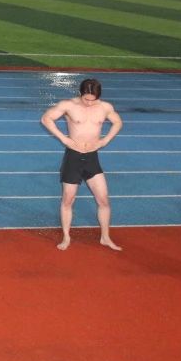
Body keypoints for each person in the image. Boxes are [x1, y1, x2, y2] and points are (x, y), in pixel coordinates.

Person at [40, 78, 124, 251]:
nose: (89, 103)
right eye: (86, 99)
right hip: (73, 157)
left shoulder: (105, 107)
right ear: (80, 93)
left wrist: (105, 141)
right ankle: (66, 237)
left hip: (92, 158)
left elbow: (118, 122)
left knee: (103, 200)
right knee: (68, 200)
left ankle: (105, 237)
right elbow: (46, 118)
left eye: (93, 100)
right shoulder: (69, 105)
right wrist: (64, 139)